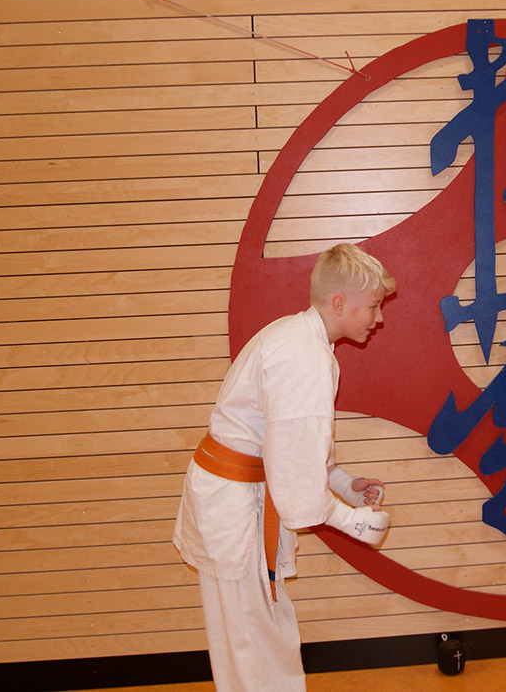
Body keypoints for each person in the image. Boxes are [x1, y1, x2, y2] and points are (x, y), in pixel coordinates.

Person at [173, 243, 396, 691]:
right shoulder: (303, 356)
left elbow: (293, 443)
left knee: (260, 630)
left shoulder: (301, 340)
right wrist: (352, 521)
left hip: (240, 493)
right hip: (233, 500)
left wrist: (343, 484)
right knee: (250, 638)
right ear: (339, 303)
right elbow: (294, 466)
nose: (379, 318)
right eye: (373, 306)